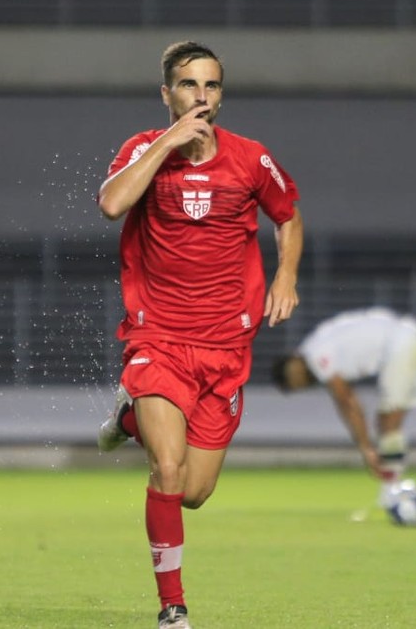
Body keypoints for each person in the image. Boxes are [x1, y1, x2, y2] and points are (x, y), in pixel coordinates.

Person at [95, 41, 303, 629]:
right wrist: (168, 142)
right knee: (166, 469)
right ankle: (173, 608)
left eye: (210, 85)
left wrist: (286, 276)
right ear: (167, 93)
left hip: (225, 347)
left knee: (192, 491)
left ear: (221, 94)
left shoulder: (250, 159)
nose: (201, 96)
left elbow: (288, 215)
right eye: (188, 85)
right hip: (158, 338)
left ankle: (128, 420)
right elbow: (111, 203)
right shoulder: (143, 149)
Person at [271, 307, 416, 509]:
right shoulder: (317, 344)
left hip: (401, 342)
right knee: (390, 422)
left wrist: (366, 448)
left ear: (294, 362)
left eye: (295, 380)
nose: (301, 384)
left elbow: (347, 401)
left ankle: (391, 492)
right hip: (412, 335)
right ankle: (392, 489)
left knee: (388, 420)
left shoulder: (315, 356)